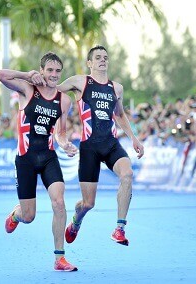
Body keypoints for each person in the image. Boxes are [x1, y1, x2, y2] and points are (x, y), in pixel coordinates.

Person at [0, 52, 79, 272]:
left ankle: (59, 258)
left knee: (59, 202)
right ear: (41, 71)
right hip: (25, 159)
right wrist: (26, 74)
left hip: (48, 157)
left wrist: (65, 144)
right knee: (29, 215)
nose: (53, 75)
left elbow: (61, 133)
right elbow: (1, 75)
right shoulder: (28, 89)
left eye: (57, 71)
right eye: (49, 70)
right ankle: (16, 214)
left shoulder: (64, 100)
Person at [57, 45, 144, 246]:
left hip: (111, 144)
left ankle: (119, 229)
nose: (102, 60)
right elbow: (53, 90)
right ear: (90, 63)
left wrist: (134, 138)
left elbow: (120, 114)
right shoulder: (79, 81)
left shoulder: (117, 88)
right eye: (98, 57)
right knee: (88, 203)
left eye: (105, 57)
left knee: (127, 175)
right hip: (89, 148)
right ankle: (76, 222)